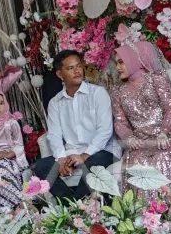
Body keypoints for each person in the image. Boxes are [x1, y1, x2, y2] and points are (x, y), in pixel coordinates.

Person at [30, 50, 120, 200]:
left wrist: (84, 155)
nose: (77, 71)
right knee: (41, 166)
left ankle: (76, 211)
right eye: (71, 68)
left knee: (92, 165)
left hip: (102, 151)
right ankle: (71, 206)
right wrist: (61, 159)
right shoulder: (55, 102)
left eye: (79, 66)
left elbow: (105, 131)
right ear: (60, 74)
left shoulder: (98, 93)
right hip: (72, 152)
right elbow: (55, 135)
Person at [110, 42, 171, 196]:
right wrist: (129, 137)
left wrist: (164, 131)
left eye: (121, 62)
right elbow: (119, 121)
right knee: (137, 162)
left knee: (162, 157)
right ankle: (146, 214)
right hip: (141, 140)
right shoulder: (117, 91)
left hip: (167, 134)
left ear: (133, 59)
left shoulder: (156, 79)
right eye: (116, 63)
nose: (118, 67)